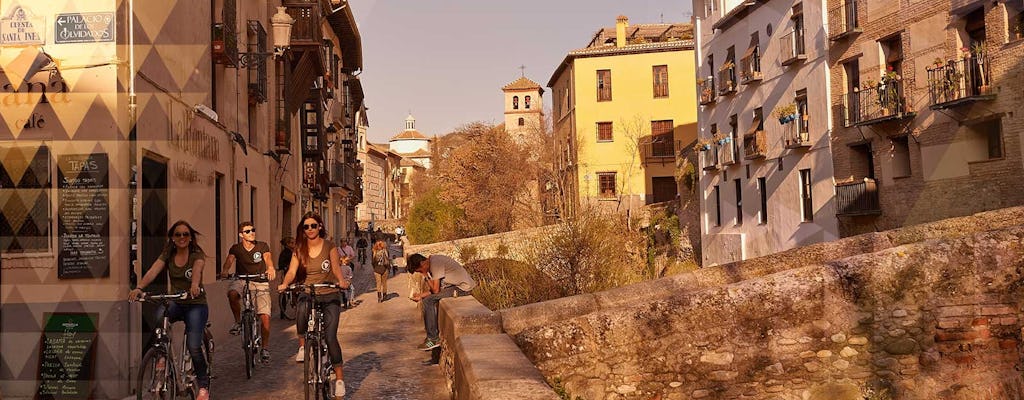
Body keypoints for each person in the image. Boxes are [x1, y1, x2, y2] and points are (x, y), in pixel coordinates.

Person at [129, 221, 211, 400]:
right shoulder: (168, 253)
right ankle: (162, 356)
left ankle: (203, 386)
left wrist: (195, 285)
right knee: (159, 317)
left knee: (194, 346)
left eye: (186, 234)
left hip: (195, 303)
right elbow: (153, 271)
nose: (182, 238)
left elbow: (197, 270)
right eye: (178, 234)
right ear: (172, 238)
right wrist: (139, 287)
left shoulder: (196, 254)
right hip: (176, 302)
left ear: (190, 238)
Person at [277, 212, 350, 398]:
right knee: (301, 310)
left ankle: (339, 379)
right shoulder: (299, 249)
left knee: (331, 336)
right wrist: (285, 283)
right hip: (309, 292)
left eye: (313, 226)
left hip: (329, 294)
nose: (310, 229)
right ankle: (303, 346)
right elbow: (292, 271)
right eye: (306, 226)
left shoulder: (329, 246)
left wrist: (341, 282)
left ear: (320, 227)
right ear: (303, 230)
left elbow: (335, 269)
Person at [218, 222, 275, 363]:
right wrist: (225, 270)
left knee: (265, 315)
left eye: (253, 230)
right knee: (232, 293)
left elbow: (267, 258)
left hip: (259, 280)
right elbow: (229, 261)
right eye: (248, 231)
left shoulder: (262, 246)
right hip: (242, 280)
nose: (251, 233)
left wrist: (271, 268)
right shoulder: (236, 248)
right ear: (241, 235)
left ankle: (265, 348)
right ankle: (238, 322)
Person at [406, 253, 476, 358]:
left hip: (462, 288)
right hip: (454, 287)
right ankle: (431, 338)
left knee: (428, 301)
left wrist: (425, 275)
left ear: (422, 263)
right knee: (427, 299)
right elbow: (436, 291)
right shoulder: (432, 265)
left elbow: (435, 290)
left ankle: (433, 338)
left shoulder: (435, 263)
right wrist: (420, 296)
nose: (421, 273)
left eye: (419, 271)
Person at [277, 237, 294, 319]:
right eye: (292, 243)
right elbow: (281, 264)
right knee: (284, 293)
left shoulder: (293, 252)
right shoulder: (285, 253)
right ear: (287, 244)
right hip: (286, 274)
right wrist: (286, 267)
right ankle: (282, 312)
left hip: (293, 274)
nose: (293, 244)